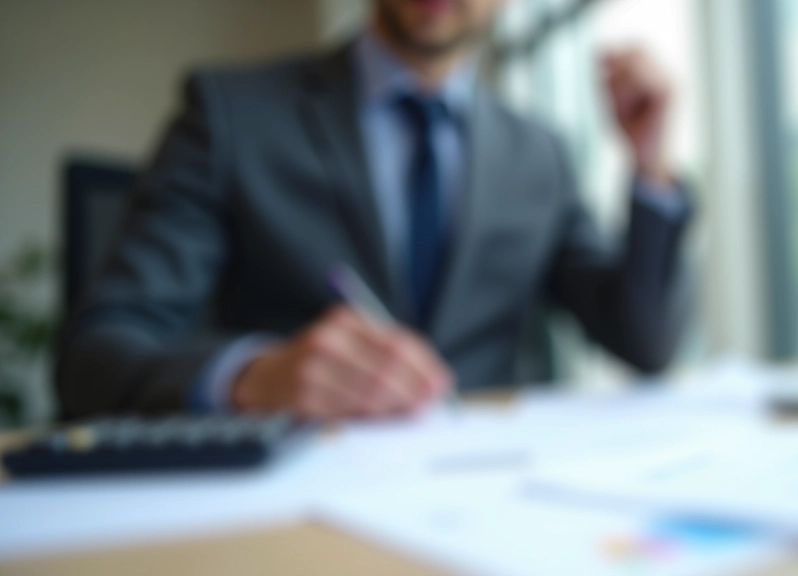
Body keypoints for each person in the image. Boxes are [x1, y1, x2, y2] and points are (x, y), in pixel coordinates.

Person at [57, 0, 693, 420]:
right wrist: (252, 377)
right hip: (293, 514)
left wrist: (651, 166)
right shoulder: (230, 115)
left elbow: (644, 341)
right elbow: (95, 355)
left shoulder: (539, 155)